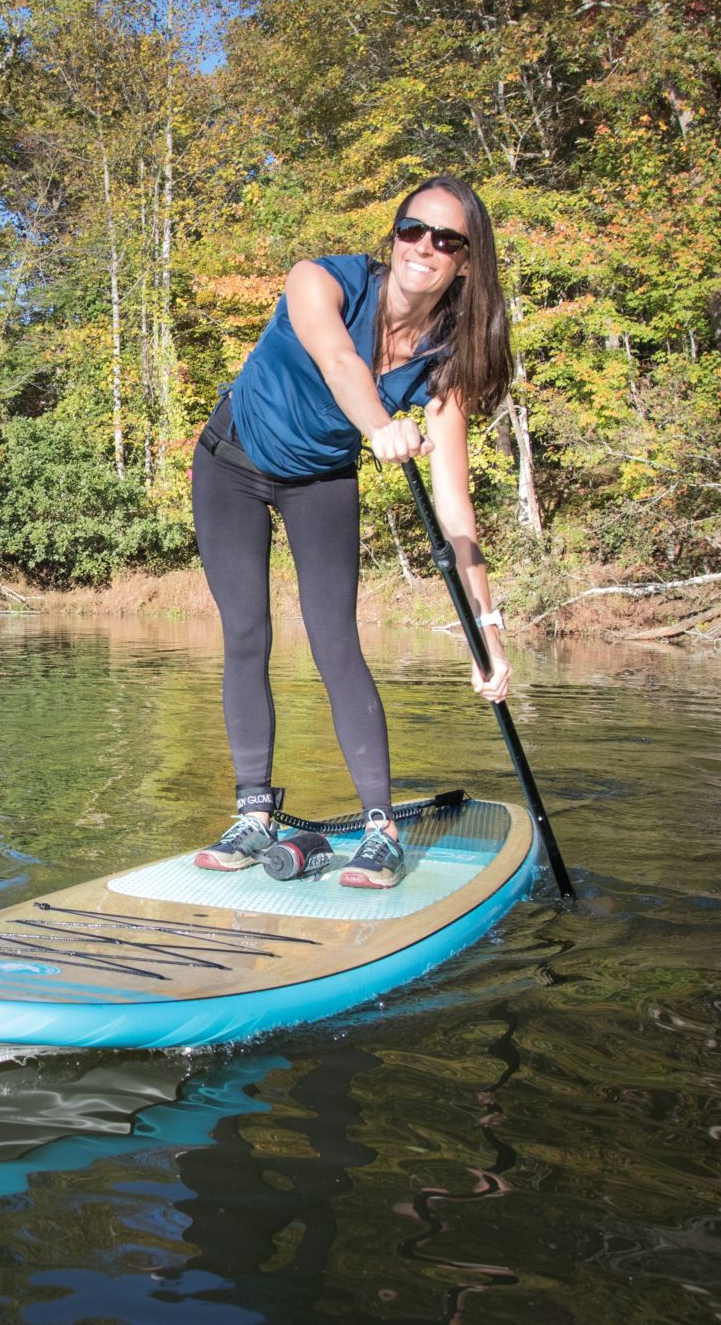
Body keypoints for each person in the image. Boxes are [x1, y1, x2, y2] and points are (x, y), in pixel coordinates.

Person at [190, 175, 513, 889]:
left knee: (336, 639)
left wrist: (488, 635)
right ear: (393, 236)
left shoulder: (447, 361)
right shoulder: (320, 280)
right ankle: (253, 815)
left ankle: (381, 830)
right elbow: (339, 362)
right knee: (246, 632)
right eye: (413, 230)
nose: (425, 247)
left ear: (465, 260)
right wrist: (379, 428)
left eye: (447, 240)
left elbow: (455, 510)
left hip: (322, 481)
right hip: (230, 464)